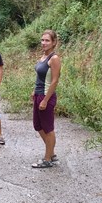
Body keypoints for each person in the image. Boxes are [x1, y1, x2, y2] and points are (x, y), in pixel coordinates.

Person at [31, 30, 61, 168]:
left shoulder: (54, 58)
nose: (44, 43)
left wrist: (45, 100)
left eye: (47, 40)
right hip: (38, 94)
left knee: (48, 128)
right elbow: (40, 77)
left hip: (46, 96)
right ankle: (52, 153)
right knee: (38, 125)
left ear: (54, 42)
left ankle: (48, 158)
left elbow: (54, 81)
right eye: (42, 40)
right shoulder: (43, 56)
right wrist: (34, 92)